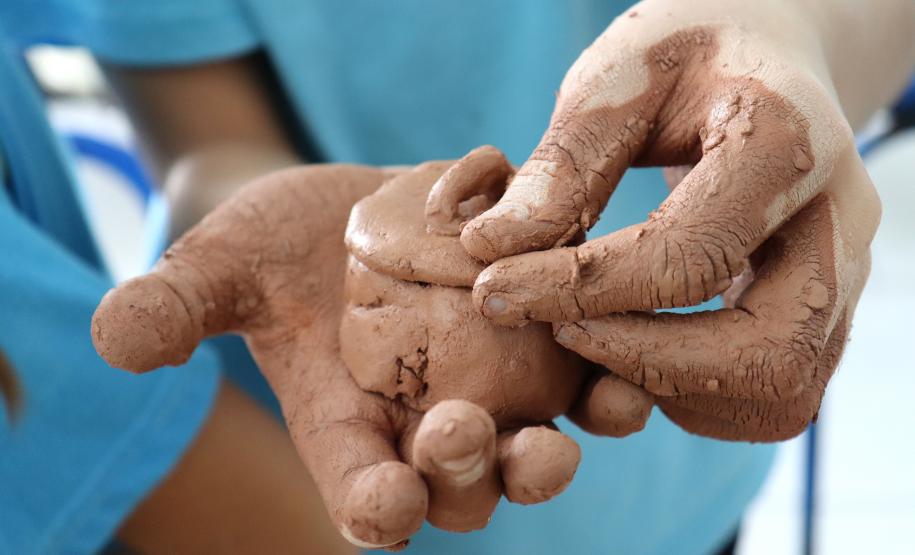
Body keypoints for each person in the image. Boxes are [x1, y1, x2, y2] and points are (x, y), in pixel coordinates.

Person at [1, 0, 912, 553]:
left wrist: (794, 36)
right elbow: (207, 132)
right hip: (308, 435)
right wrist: (256, 202)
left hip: (665, 461)